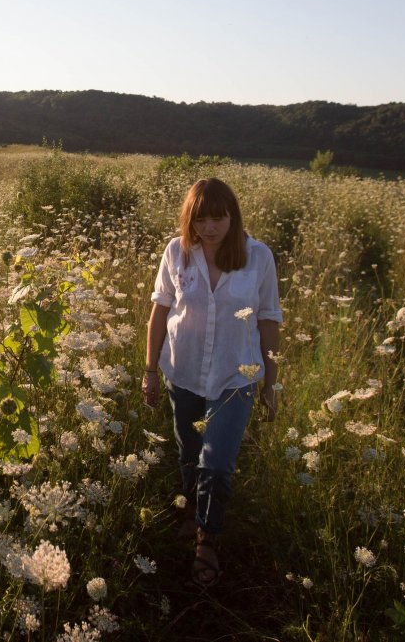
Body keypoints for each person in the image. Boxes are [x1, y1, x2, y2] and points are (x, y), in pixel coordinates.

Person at [140, 177, 282, 588]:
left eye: (218, 217)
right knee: (189, 448)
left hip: (237, 375)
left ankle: (207, 536)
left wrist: (271, 383)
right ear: (191, 220)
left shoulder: (258, 258)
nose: (210, 227)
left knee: (217, 462)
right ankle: (190, 507)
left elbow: (269, 319)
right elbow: (159, 313)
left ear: (232, 216)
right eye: (201, 219)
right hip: (182, 371)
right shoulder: (177, 253)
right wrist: (151, 369)